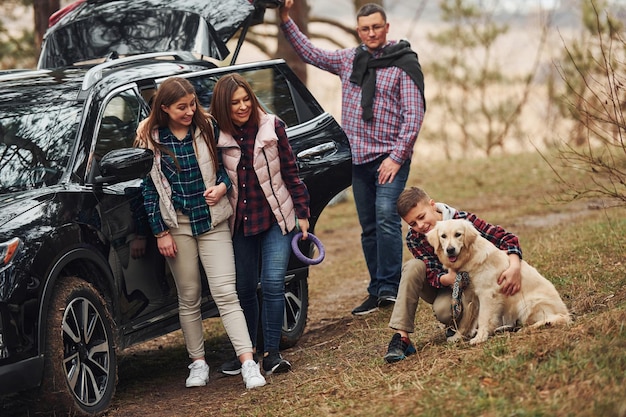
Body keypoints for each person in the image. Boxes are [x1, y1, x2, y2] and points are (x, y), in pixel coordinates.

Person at [279, 1, 426, 315]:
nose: (371, 33)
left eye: (376, 27)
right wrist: (285, 19)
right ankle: (377, 290)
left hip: (390, 158)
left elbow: (414, 116)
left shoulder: (403, 63)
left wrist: (397, 158)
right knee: (369, 226)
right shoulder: (349, 59)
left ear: (386, 28)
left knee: (386, 217)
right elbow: (311, 53)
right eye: (365, 28)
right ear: (359, 31)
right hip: (359, 161)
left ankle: (390, 288)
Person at [134, 77, 266, 389]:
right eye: (182, 107)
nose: (190, 111)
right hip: (176, 226)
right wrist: (159, 232)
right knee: (189, 296)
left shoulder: (208, 127)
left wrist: (222, 186)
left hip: (212, 222)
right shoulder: (150, 138)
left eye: (192, 104)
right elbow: (148, 189)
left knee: (225, 292)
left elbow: (228, 168)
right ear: (164, 108)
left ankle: (248, 363)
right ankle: (197, 363)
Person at [210, 73, 310, 376]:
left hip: (275, 218)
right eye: (234, 103)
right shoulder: (217, 135)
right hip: (240, 222)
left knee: (272, 282)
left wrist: (302, 213)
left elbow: (291, 171)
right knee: (243, 288)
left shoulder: (272, 126)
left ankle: (273, 354)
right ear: (223, 107)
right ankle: (248, 352)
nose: (242, 107)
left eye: (246, 100)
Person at [384, 187, 522, 363]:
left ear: (432, 205)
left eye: (421, 217)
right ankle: (401, 337)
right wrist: (446, 279)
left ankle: (478, 320)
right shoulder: (414, 238)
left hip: (475, 285)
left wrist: (515, 266)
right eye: (412, 224)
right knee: (412, 267)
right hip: (444, 285)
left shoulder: (462, 223)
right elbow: (430, 271)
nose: (420, 226)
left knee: (447, 310)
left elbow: (506, 238)